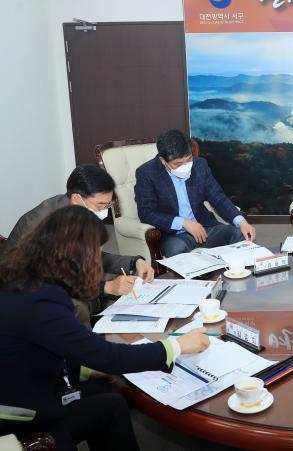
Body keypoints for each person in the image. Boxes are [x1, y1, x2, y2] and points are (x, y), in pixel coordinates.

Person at [0, 206, 209, 450]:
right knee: (111, 407)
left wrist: (86, 370)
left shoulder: (24, 278)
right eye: (95, 253)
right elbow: (108, 356)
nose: (98, 261)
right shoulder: (42, 300)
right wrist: (176, 346)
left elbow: (42, 348)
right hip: (18, 417)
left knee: (104, 392)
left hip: (23, 386)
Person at [0, 165, 156, 325]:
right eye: (100, 205)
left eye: (107, 205)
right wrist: (105, 287)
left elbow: (89, 255)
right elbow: (48, 279)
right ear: (76, 199)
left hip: (62, 278)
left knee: (122, 284)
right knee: (83, 304)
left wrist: (134, 262)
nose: (104, 211)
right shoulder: (45, 224)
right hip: (29, 294)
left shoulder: (76, 214)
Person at [135, 129, 256, 257]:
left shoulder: (199, 165)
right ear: (163, 161)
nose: (185, 166)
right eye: (178, 164)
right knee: (176, 250)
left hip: (204, 228)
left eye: (188, 160)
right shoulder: (147, 173)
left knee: (239, 234)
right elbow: (146, 213)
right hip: (174, 235)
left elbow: (217, 196)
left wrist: (241, 221)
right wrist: (183, 222)